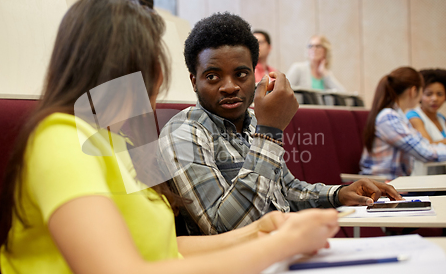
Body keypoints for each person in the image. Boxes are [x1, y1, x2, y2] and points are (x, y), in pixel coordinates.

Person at [0, 0, 341, 274]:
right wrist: (280, 245)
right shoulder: (61, 140)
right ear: (146, 73)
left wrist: (259, 232)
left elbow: (163, 248)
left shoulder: (123, 142)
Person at [157, 12, 401, 236]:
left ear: (255, 75)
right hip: (237, 272)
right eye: (212, 76)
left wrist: (338, 193)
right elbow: (225, 228)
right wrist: (269, 133)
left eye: (241, 74)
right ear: (194, 81)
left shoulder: (254, 122)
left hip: (285, 250)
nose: (230, 86)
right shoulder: (184, 132)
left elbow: (285, 189)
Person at [360, 67, 446, 180]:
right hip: (383, 186)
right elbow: (426, 154)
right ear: (413, 91)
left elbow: (424, 146)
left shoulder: (398, 116)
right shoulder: (389, 117)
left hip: (397, 184)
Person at [406, 68, 446, 175]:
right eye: (428, 94)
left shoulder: (441, 118)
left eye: (440, 94)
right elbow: (428, 145)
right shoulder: (413, 116)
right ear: (419, 95)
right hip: (422, 177)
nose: (434, 99)